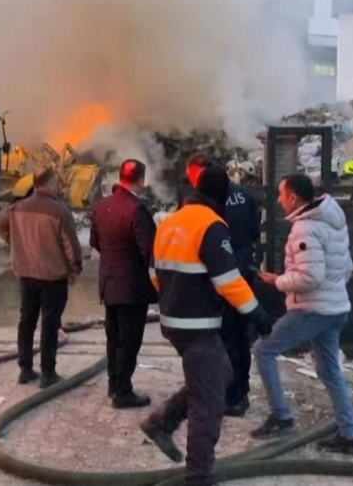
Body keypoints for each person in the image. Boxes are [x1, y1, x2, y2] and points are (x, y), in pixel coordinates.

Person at [139, 166, 275, 486]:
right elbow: (229, 282)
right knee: (209, 402)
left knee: (220, 372)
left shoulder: (170, 222)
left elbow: (154, 274)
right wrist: (259, 316)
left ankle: (162, 421)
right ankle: (199, 475)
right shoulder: (212, 226)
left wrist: (176, 298)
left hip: (173, 320)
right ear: (224, 197)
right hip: (198, 325)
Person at [251, 174, 353, 454]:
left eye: (280, 194)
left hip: (312, 309)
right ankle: (351, 434)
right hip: (335, 307)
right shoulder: (333, 221)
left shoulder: (305, 229)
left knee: (263, 350)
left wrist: (277, 281)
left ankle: (282, 416)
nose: (278, 200)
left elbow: (310, 277)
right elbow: (345, 267)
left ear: (292, 196)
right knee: (329, 371)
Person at [0, 167, 83, 388]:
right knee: (50, 324)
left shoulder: (18, 207)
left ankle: (25, 369)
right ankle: (48, 373)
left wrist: (15, 242)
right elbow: (71, 246)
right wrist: (75, 268)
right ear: (51, 184)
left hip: (26, 274)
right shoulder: (59, 210)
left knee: (26, 321)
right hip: (53, 277)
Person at [186, 155, 261, 417]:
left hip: (215, 280)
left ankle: (225, 392)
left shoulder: (204, 205)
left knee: (217, 339)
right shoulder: (246, 197)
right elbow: (254, 232)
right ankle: (239, 393)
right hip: (241, 276)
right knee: (239, 338)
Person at [89, 159, 157, 409]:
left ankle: (113, 382)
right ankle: (123, 391)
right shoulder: (137, 209)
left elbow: (95, 241)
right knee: (129, 340)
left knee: (114, 336)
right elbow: (149, 249)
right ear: (140, 180)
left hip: (108, 284)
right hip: (132, 287)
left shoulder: (101, 206)